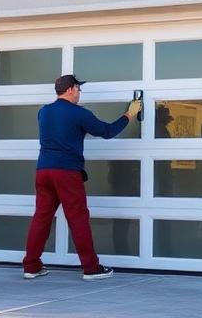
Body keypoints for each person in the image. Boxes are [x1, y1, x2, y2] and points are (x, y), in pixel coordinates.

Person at [22, 74, 142, 280]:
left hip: (43, 171)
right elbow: (106, 131)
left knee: (41, 218)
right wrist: (129, 114)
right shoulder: (79, 114)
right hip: (66, 172)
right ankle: (91, 268)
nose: (79, 93)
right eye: (78, 89)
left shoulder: (44, 112)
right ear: (70, 89)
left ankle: (31, 266)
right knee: (78, 219)